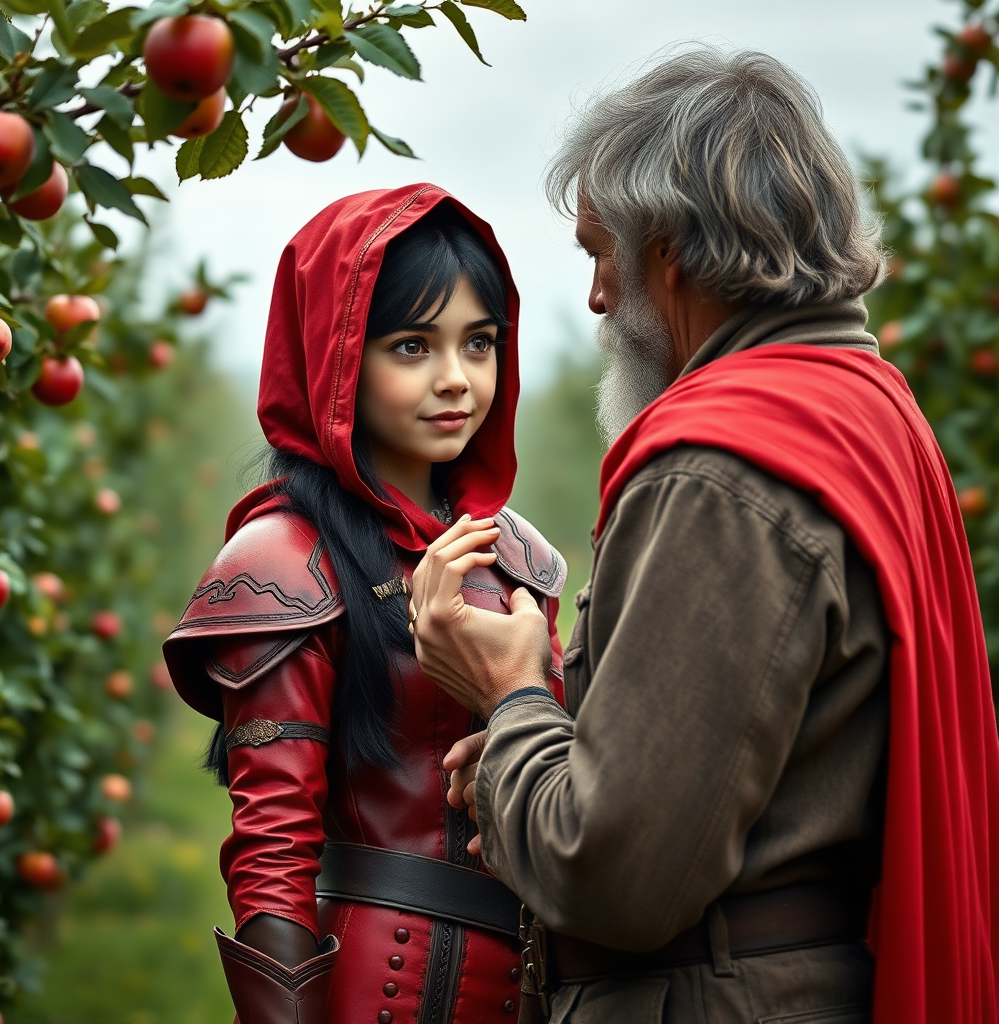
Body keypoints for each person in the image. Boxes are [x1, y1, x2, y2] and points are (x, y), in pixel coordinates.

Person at [407, 49, 999, 1024]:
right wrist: (539, 742)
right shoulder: (864, 410)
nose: (597, 297)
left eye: (602, 254)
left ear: (671, 252)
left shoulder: (717, 470)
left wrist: (507, 696)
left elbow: (617, 875)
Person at [162, 185, 567, 1024]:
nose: (457, 380)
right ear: (338, 354)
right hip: (379, 990)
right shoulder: (284, 565)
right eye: (413, 346)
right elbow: (272, 856)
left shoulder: (519, 559)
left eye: (480, 343)